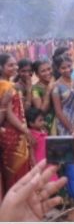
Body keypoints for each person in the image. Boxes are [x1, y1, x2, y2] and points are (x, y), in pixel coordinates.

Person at [51, 55, 74, 204]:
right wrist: (71, 128)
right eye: (63, 68)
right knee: (71, 162)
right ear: (58, 69)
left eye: (68, 66)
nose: (67, 70)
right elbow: (58, 112)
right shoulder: (56, 87)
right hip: (65, 127)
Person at [0, 54, 33, 192]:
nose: (15, 68)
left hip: (15, 130)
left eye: (15, 64)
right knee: (16, 169)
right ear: (1, 67)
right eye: (10, 65)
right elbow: (9, 114)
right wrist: (25, 130)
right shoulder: (5, 85)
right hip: (12, 133)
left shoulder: (9, 84)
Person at [25, 107, 58, 182]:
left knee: (52, 182)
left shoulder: (43, 131)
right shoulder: (32, 136)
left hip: (48, 162)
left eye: (43, 120)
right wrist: (35, 167)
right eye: (40, 120)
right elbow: (32, 153)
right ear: (31, 123)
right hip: (40, 164)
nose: (43, 122)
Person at [32, 60, 56, 134]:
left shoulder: (57, 81)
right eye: (43, 71)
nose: (48, 73)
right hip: (48, 123)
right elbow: (41, 111)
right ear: (37, 74)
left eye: (49, 69)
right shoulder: (35, 90)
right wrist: (48, 91)